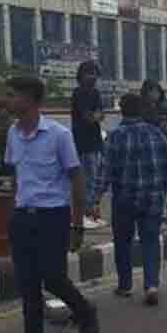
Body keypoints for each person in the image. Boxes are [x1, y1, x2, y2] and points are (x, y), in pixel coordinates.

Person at [2, 75, 100, 333]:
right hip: (22, 218)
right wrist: (12, 213)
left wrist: (77, 223)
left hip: (52, 217)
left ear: (31, 100)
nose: (8, 100)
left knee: (53, 277)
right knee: (27, 284)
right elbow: (15, 177)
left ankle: (84, 312)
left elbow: (76, 178)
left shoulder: (59, 135)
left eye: (12, 94)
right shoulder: (12, 133)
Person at [90, 92, 167, 306]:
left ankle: (125, 285)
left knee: (123, 243)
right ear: (142, 110)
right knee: (150, 242)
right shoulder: (157, 134)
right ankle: (151, 285)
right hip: (153, 199)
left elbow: (105, 171)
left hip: (124, 200)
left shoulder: (115, 136)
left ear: (121, 110)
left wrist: (95, 200)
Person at [70, 60, 105, 216]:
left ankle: (90, 207)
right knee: (84, 177)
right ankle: (85, 209)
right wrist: (94, 116)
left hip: (95, 140)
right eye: (88, 73)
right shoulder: (78, 93)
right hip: (81, 141)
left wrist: (95, 116)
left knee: (96, 175)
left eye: (94, 73)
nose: (92, 77)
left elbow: (100, 115)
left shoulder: (96, 93)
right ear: (81, 75)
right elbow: (88, 117)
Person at [141, 78, 167, 144]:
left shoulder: (163, 109)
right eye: (154, 91)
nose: (157, 94)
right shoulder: (139, 108)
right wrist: (158, 126)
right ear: (146, 92)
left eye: (158, 91)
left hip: (163, 145)